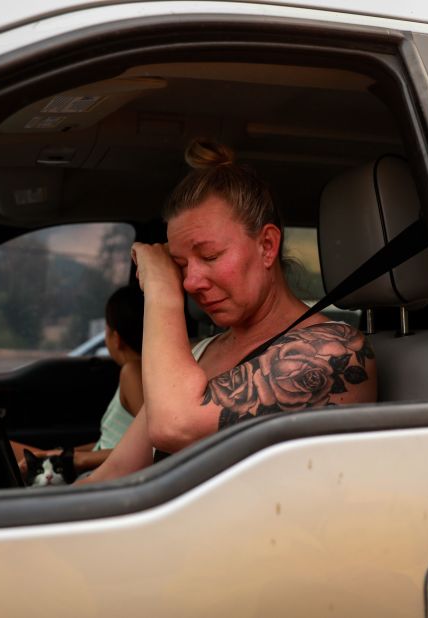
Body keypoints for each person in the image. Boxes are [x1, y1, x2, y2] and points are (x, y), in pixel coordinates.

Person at [79, 139, 376, 484]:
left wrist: (162, 288)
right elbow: (116, 472)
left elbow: (173, 426)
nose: (190, 281)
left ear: (267, 246)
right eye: (178, 265)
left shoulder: (334, 352)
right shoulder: (201, 352)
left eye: (210, 257)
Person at [12, 285, 144, 478]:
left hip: (102, 476)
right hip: (101, 468)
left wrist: (79, 460)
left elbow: (152, 445)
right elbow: (108, 443)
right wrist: (61, 453)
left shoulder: (132, 372)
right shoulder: (135, 372)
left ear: (115, 338)